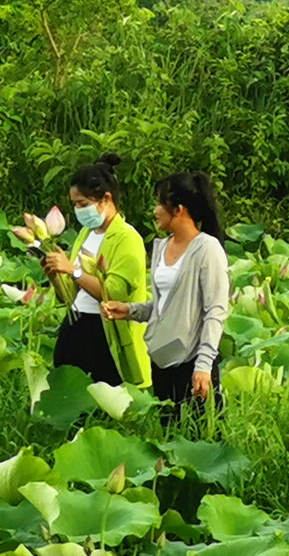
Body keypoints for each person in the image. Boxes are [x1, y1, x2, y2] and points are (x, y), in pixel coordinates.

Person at [102, 171, 229, 408]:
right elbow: (164, 307)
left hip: (192, 362)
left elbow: (215, 311)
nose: (155, 210)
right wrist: (129, 310)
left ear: (179, 209)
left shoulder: (207, 250)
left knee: (199, 437)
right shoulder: (160, 247)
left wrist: (203, 366)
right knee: (169, 435)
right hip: (160, 358)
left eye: (160, 204)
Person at [42, 153, 151, 387]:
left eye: (83, 204)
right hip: (76, 321)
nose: (79, 210)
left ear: (105, 199)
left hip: (105, 329)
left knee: (102, 397)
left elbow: (114, 294)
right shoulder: (86, 233)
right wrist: (55, 275)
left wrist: (74, 271)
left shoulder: (127, 238)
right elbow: (70, 295)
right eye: (75, 205)